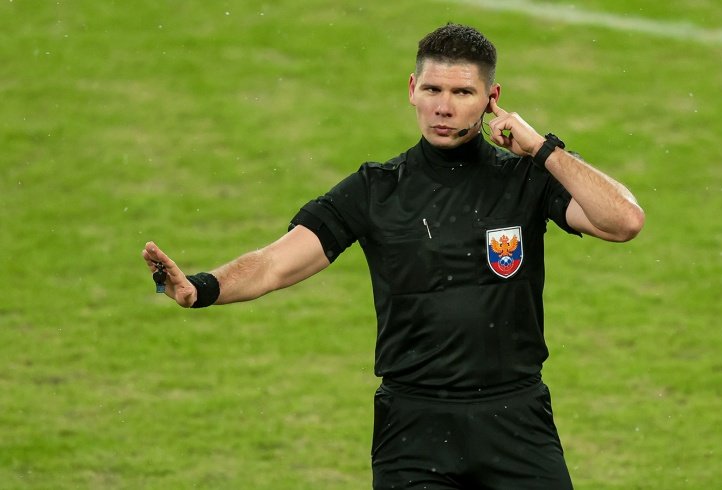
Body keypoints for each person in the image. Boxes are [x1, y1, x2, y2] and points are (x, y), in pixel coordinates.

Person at [142, 23, 644, 490]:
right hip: (414, 430)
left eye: (462, 93)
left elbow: (624, 221)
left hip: (516, 419)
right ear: (411, 90)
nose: (443, 107)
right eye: (432, 90)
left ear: (492, 99)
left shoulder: (527, 178)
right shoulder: (376, 190)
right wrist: (201, 289)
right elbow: (274, 263)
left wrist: (543, 150)